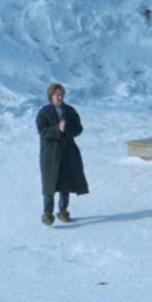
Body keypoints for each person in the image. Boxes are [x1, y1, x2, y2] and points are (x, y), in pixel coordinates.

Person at [36, 82, 89, 225]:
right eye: (57, 95)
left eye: (62, 95)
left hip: (67, 152)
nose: (60, 98)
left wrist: (66, 130)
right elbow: (42, 131)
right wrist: (57, 129)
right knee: (50, 185)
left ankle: (63, 211)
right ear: (51, 96)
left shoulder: (70, 111)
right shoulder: (44, 112)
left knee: (65, 184)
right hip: (50, 154)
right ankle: (48, 214)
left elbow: (78, 129)